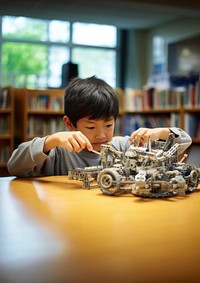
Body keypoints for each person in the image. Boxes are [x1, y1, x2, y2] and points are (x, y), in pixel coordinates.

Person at [7, 76, 192, 177]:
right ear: (69, 124)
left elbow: (184, 142)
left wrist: (159, 132)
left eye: (109, 124)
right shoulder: (58, 152)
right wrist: (50, 141)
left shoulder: (125, 146)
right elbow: (14, 166)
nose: (102, 134)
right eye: (91, 127)